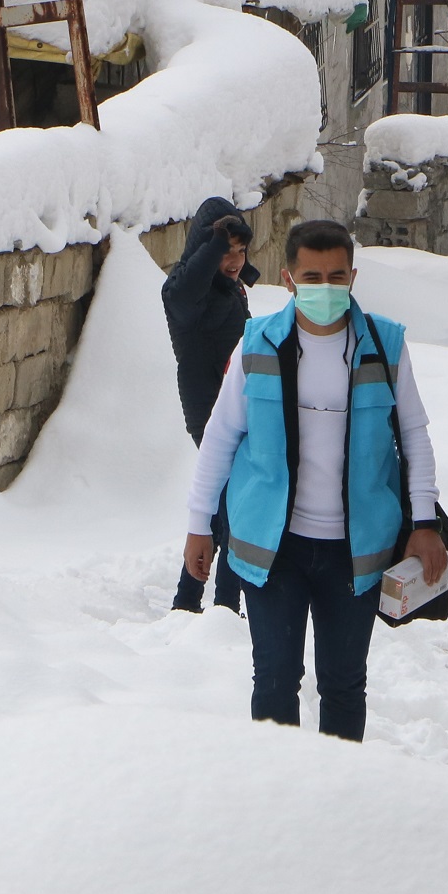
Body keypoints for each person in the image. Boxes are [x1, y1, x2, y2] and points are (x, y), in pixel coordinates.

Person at [182, 219, 448, 741]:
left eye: (336, 276)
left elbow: (413, 435)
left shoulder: (386, 345)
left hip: (356, 553)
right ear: (287, 278)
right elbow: (220, 437)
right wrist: (198, 524)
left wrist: (425, 521)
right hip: (272, 548)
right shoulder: (256, 344)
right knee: (275, 681)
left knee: (344, 684)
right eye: (312, 276)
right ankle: (282, 797)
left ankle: (337, 804)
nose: (324, 288)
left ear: (353, 276)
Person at [161, 196, 255, 614]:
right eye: (224, 251)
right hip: (206, 407)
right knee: (233, 500)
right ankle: (225, 605)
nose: (234, 260)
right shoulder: (182, 292)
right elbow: (187, 287)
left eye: (240, 250)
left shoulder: (228, 286)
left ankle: (187, 601)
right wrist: (217, 244)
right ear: (205, 248)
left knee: (219, 502)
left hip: (236, 404)